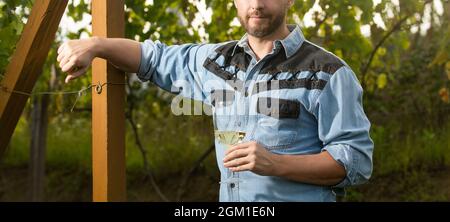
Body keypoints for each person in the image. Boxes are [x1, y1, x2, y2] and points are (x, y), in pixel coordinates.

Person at [57, 0, 373, 202]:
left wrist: (276, 163)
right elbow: (154, 59)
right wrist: (96, 45)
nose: (257, 4)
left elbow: (355, 161)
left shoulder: (329, 72)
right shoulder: (215, 62)